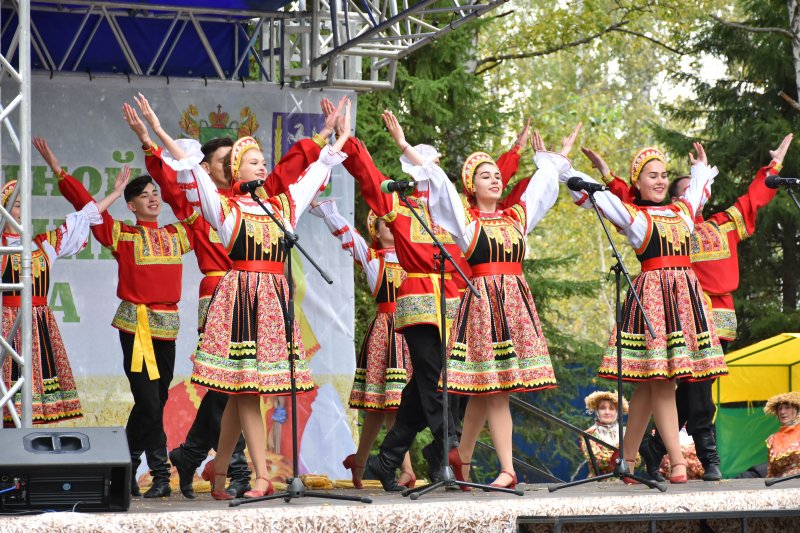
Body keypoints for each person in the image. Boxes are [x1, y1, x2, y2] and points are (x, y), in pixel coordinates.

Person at [125, 94, 337, 498]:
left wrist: (329, 136)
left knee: (238, 388)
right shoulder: (211, 206)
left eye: (261, 159)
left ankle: (214, 463)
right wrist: (152, 136)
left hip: (268, 299)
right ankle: (233, 467)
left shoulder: (272, 202)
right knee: (234, 386)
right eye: (247, 158)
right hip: (228, 297)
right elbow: (177, 177)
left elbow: (300, 172)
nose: (262, 165)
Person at [582, 134, 792, 481]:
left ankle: (665, 456)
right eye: (670, 184)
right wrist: (606, 177)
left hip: (709, 321)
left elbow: (753, 200)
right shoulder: (654, 220)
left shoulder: (721, 225)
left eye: (683, 187)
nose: (676, 192)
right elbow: (623, 205)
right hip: (669, 315)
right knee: (668, 387)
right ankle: (673, 458)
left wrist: (772, 167)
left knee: (694, 391)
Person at [412, 120, 575, 489]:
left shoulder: (516, 218)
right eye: (486, 176)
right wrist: (408, 148)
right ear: (472, 186)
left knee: (487, 389)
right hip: (484, 307)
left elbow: (540, 190)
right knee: (497, 389)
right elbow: (439, 187)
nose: (496, 180)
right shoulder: (466, 222)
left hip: (514, 304)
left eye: (497, 175)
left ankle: (461, 457)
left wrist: (557, 159)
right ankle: (507, 469)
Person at [35, 137, 199, 498]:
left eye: (156, 193)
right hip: (135, 326)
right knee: (151, 402)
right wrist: (59, 172)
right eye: (144, 195)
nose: (154, 198)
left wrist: (179, 168)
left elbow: (197, 210)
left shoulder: (179, 234)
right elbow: (87, 206)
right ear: (131, 204)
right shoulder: (121, 234)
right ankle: (158, 474)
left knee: (153, 402)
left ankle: (124, 468)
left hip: (168, 327)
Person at [563, 143, 728, 484]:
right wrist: (562, 167)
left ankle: (626, 459)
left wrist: (699, 167)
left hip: (684, 301)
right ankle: (678, 462)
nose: (660, 181)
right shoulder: (635, 216)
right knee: (662, 380)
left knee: (646, 388)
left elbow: (697, 191)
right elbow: (599, 197)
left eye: (664, 175)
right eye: (652, 176)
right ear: (637, 183)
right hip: (653, 301)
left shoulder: (682, 211)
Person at [1, 168, 124, 425]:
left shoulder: (42, 244)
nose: (21, 211)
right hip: (5, 325)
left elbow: (85, 217)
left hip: (38, 323)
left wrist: (115, 194)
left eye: (25, 205)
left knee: (34, 395)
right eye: (15, 206)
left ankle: (26, 453)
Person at [309, 199, 416, 488]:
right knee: (392, 403)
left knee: (382, 407)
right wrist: (326, 210)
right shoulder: (373, 259)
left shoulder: (415, 255)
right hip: (388, 332)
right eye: (387, 224)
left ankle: (360, 460)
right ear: (377, 232)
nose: (394, 227)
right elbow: (346, 233)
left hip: (413, 330)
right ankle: (403, 469)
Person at [579, 391, 638, 477]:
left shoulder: (626, 433)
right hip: (598, 484)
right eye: (602, 408)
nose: (607, 412)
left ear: (617, 412)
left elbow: (636, 459)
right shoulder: (588, 434)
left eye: (611, 408)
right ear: (597, 411)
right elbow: (597, 460)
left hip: (625, 485)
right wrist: (623, 457)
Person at [764, 391, 800, 479]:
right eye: (780, 409)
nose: (782, 412)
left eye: (787, 407)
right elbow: (771, 472)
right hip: (782, 486)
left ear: (796, 411)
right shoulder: (772, 439)